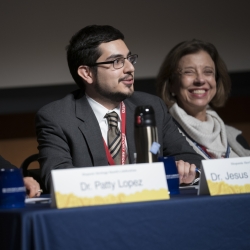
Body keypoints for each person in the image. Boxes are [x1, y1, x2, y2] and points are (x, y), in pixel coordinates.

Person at [36, 25, 204, 191]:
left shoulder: (151, 106)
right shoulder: (57, 117)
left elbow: (191, 159)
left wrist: (188, 170)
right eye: (117, 61)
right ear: (87, 73)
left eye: (129, 59)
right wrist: (121, 183)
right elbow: (57, 179)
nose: (130, 68)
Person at [156, 39, 250, 160]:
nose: (200, 80)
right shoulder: (160, 137)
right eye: (189, 72)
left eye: (208, 72)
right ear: (171, 83)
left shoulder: (234, 136)